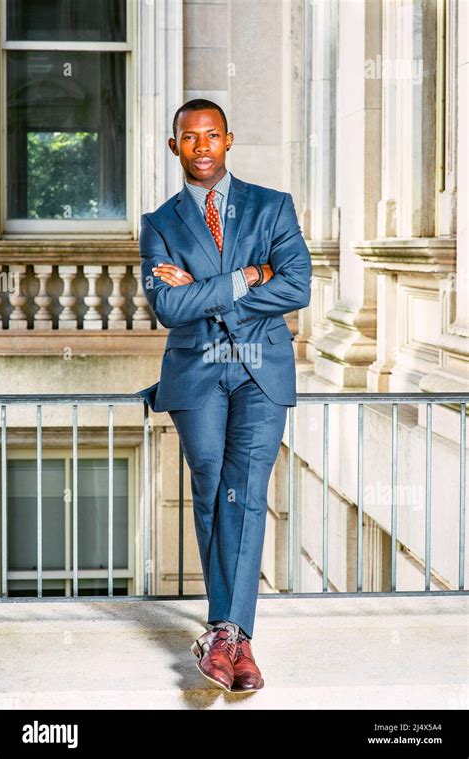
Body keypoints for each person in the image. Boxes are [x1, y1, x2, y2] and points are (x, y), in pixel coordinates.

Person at [138, 99, 312, 693]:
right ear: (175, 147)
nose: (203, 146)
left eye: (213, 135)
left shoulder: (273, 206)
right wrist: (246, 276)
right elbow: (168, 307)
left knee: (248, 492)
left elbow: (297, 284)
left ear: (229, 140)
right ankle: (228, 637)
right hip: (196, 373)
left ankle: (230, 634)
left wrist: (206, 290)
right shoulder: (159, 223)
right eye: (191, 138)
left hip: (262, 370)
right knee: (212, 489)